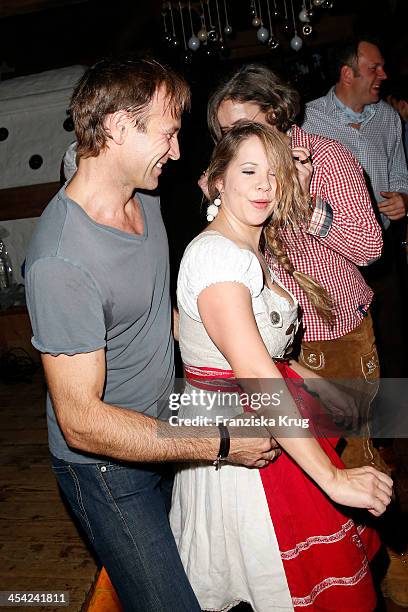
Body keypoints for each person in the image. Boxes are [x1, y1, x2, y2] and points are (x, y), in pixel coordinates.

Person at [24, 58, 281, 612]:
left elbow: (157, 316)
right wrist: (220, 445)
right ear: (117, 127)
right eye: (167, 133)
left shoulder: (144, 196)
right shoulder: (62, 262)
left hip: (165, 420)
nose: (177, 150)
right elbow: (82, 423)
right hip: (107, 471)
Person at [170, 121, 393, 611]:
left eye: (274, 173)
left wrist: (331, 389)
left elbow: (272, 355)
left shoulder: (250, 249)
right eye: (248, 170)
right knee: (280, 589)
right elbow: (255, 372)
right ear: (216, 181)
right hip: (245, 443)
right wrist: (332, 478)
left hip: (267, 418)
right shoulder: (215, 259)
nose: (264, 185)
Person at [203, 63, 385, 469]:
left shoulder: (327, 157)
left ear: (276, 111)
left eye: (244, 126)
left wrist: (304, 208)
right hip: (275, 343)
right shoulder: (244, 169)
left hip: (336, 335)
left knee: (354, 459)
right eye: (226, 133)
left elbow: (371, 247)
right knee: (301, 465)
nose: (236, 140)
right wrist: (218, 203)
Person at [302, 38, 408, 379]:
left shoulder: (389, 117)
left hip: (382, 253)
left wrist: (405, 198)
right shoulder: (308, 118)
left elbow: (400, 172)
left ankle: (391, 421)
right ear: (348, 74)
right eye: (373, 68)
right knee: (347, 346)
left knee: (391, 337)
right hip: (331, 255)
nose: (383, 75)